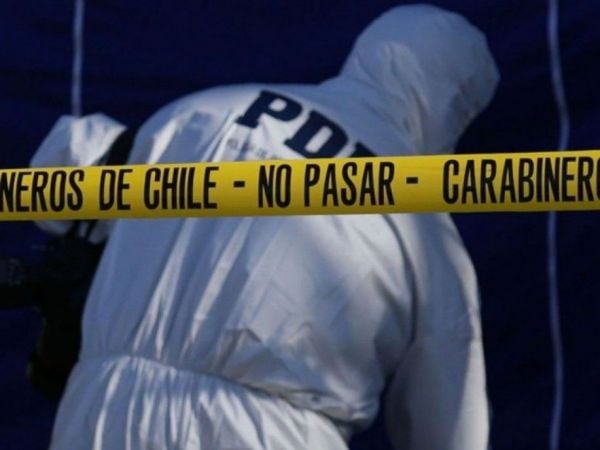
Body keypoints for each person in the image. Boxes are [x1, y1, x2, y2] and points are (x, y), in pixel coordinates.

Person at [31, 4, 499, 449]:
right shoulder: (427, 228)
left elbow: (55, 184)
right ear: (449, 107)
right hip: (265, 433)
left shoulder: (198, 112)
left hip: (104, 410)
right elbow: (450, 424)